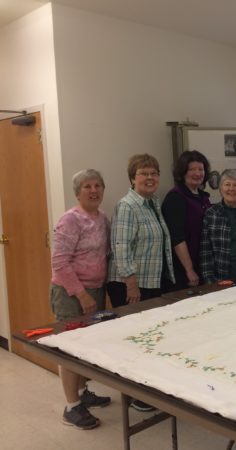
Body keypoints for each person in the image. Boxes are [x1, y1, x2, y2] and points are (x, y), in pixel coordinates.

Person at [107, 154, 175, 412]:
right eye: (143, 173)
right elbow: (121, 247)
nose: (149, 178)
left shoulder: (153, 203)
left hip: (152, 279)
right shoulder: (127, 205)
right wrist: (131, 285)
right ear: (132, 178)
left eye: (154, 173)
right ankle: (135, 395)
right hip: (130, 284)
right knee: (132, 339)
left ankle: (147, 388)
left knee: (149, 338)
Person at [50, 169, 111, 430]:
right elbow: (59, 262)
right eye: (87, 186)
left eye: (98, 185)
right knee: (69, 348)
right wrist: (82, 294)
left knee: (85, 346)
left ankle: (84, 391)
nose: (94, 190)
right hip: (71, 293)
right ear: (77, 192)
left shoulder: (102, 218)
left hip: (95, 290)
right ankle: (71, 406)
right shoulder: (70, 220)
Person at [161, 150, 212, 290]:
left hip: (202, 264)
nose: (197, 173)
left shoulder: (203, 197)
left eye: (200, 169)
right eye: (192, 169)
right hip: (183, 270)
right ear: (182, 172)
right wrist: (189, 270)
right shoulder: (176, 198)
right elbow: (177, 238)